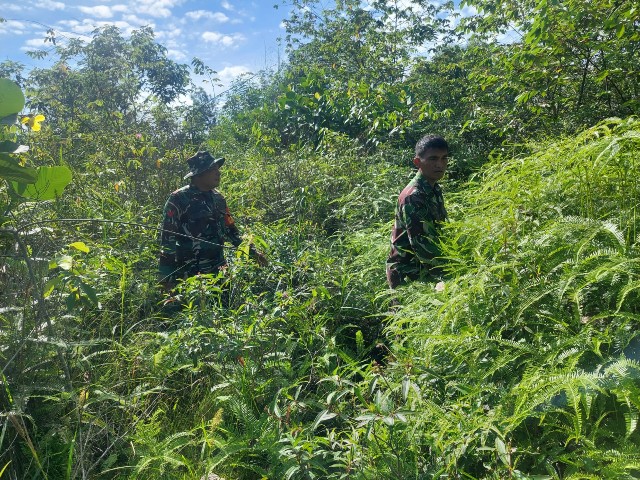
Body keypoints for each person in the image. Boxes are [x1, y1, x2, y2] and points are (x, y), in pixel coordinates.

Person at [158, 151, 267, 291]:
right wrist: (166, 277)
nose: (218, 173)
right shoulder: (178, 199)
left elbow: (232, 231)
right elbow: (167, 240)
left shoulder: (219, 199)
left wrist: (253, 253)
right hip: (189, 277)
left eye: (218, 169)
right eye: (212, 169)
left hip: (219, 273)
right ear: (199, 174)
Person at [386, 135, 449, 288]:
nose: (440, 164)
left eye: (444, 158)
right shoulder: (413, 196)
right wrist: (448, 276)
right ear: (417, 162)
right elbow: (422, 245)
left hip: (425, 270)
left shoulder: (433, 188)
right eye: (433, 159)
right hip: (408, 276)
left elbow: (439, 230)